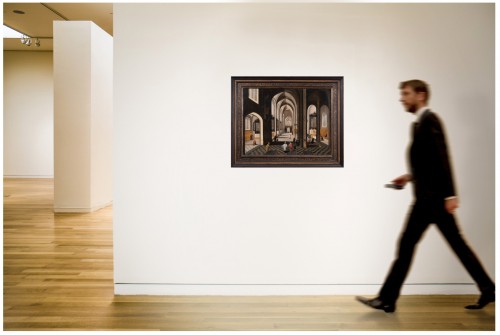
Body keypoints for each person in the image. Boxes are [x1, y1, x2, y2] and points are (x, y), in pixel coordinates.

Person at [356, 80, 495, 313]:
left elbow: (443, 158)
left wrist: (451, 195)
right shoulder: (417, 125)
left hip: (432, 200)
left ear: (421, 95)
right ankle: (489, 289)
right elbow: (429, 163)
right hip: (429, 198)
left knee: (407, 246)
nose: (402, 98)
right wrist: (409, 177)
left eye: (406, 94)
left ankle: (387, 299)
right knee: (455, 245)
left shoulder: (430, 120)